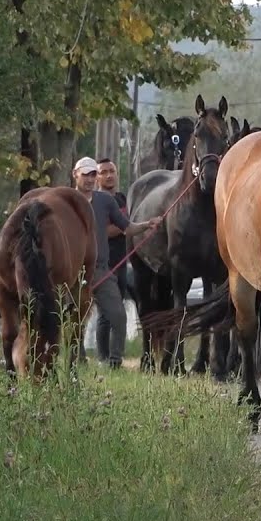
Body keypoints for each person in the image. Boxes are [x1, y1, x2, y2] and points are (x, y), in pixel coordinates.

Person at [72, 156, 161, 368]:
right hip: (72, 270)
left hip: (100, 269)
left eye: (93, 174)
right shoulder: (65, 199)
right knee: (73, 319)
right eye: (86, 174)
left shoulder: (106, 201)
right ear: (75, 175)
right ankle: (76, 359)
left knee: (118, 316)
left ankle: (114, 361)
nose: (90, 179)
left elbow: (126, 227)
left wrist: (147, 224)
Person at [95, 158, 132, 359]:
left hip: (122, 262)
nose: (109, 175)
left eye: (112, 171)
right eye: (104, 172)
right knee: (105, 315)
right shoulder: (96, 201)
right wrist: (126, 226)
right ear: (97, 176)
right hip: (103, 264)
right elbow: (102, 231)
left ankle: (115, 357)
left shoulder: (122, 198)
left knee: (117, 311)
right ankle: (103, 357)